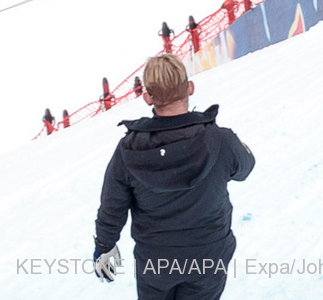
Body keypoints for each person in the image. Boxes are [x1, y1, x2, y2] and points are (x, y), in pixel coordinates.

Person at [92, 54, 254, 299]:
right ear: (189, 87)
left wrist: (105, 245)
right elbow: (245, 168)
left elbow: (112, 204)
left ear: (148, 97)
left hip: (156, 261)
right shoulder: (220, 140)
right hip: (209, 255)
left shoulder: (129, 149)